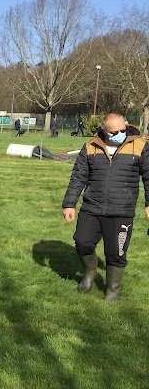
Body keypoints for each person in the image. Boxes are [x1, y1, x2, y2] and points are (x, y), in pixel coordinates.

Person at [62, 112, 149, 301]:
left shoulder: (140, 146)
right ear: (104, 130)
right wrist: (69, 203)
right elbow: (78, 177)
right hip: (92, 207)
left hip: (121, 211)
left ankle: (112, 290)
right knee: (82, 242)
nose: (120, 134)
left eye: (122, 130)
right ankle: (89, 274)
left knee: (116, 252)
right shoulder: (90, 146)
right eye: (114, 132)